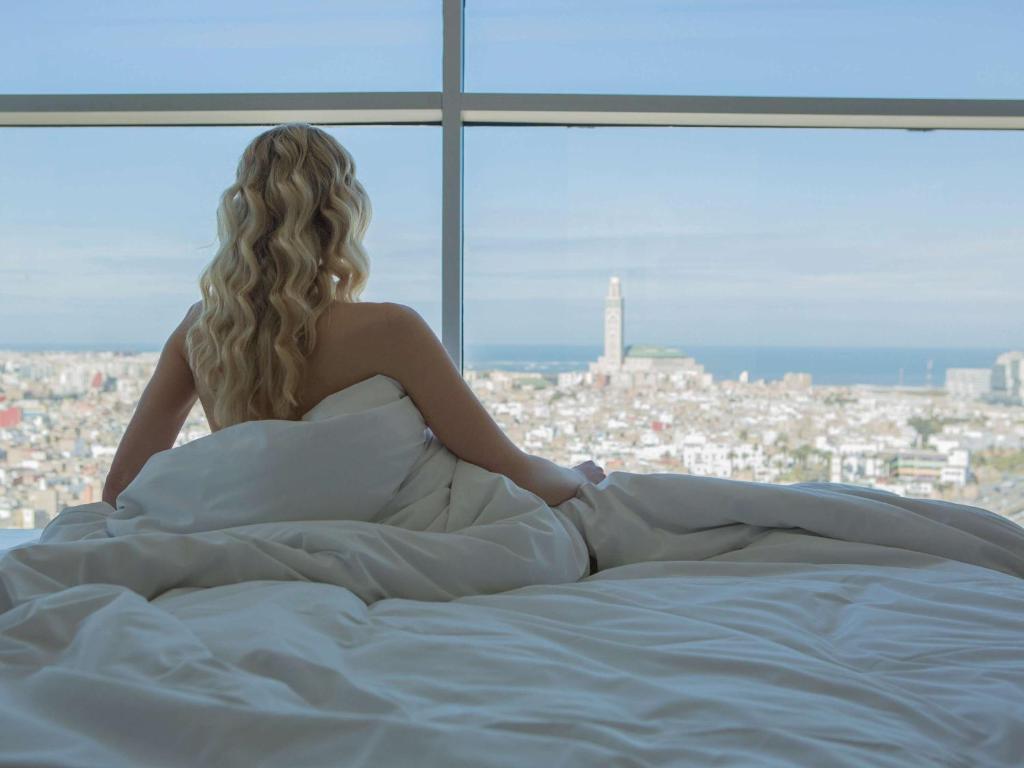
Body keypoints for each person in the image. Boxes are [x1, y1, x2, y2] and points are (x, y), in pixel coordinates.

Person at [101, 123, 605, 510]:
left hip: (247, 536)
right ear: (342, 214)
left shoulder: (202, 330)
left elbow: (121, 491)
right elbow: (506, 466)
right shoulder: (391, 330)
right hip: (394, 535)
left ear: (241, 215)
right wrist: (578, 477)